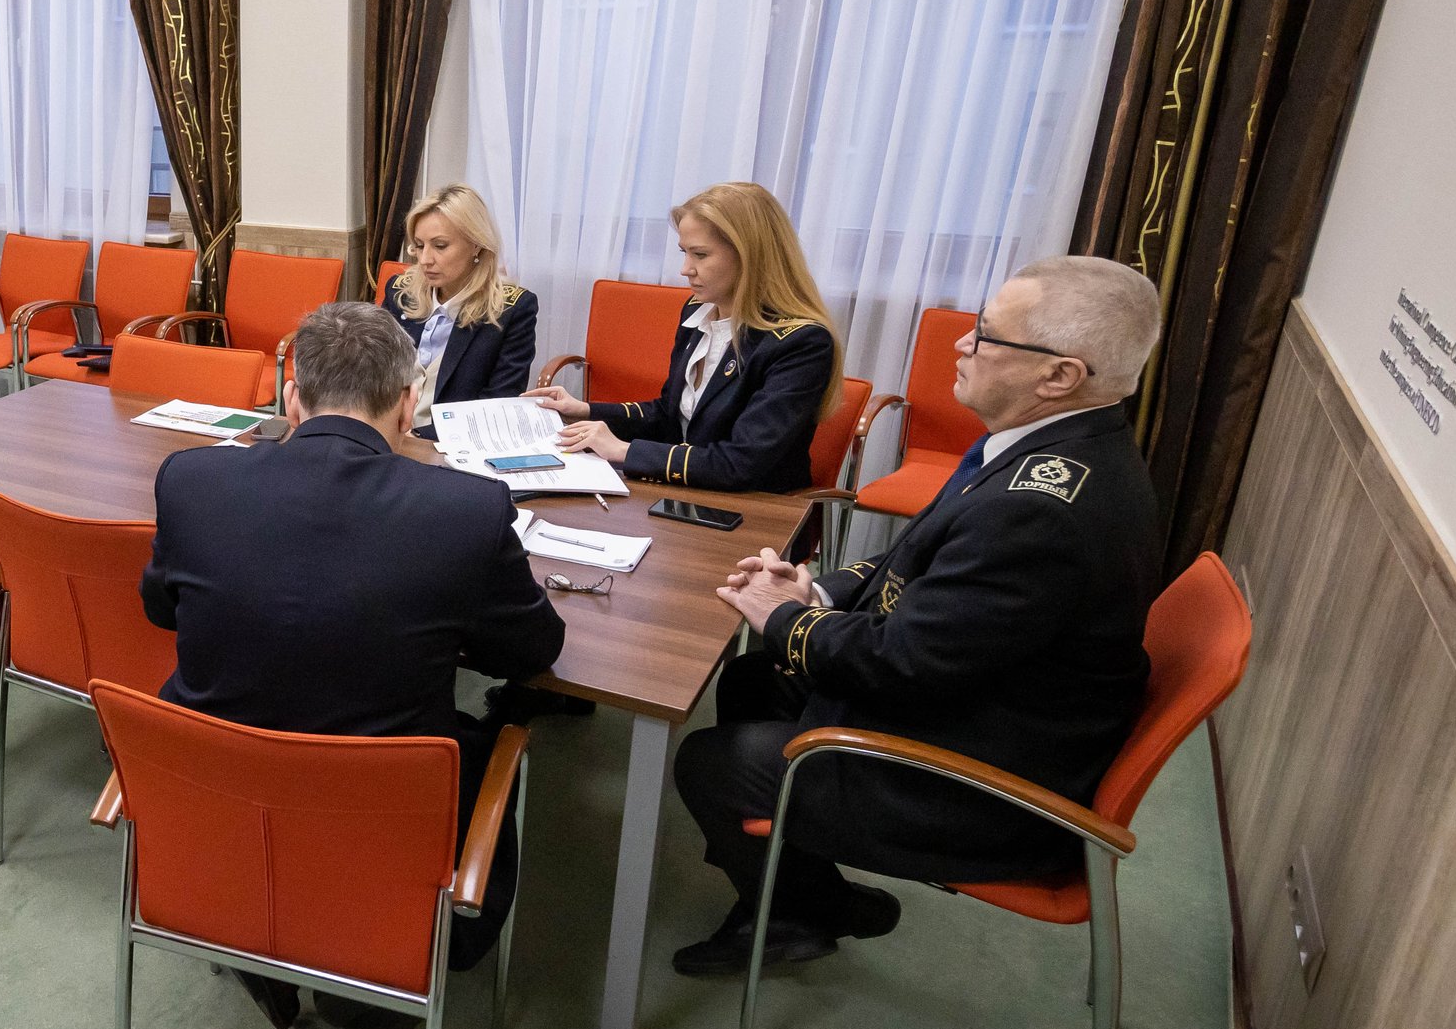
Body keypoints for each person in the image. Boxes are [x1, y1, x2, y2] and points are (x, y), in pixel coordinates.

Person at [668, 255, 1164, 977]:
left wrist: (781, 618)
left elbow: (900, 665)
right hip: (986, 706)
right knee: (753, 678)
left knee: (711, 762)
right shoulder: (1053, 447)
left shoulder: (1037, 513)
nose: (961, 343)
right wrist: (816, 594)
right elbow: (918, 559)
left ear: (1059, 375)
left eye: (986, 334)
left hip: (979, 780)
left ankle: (800, 911)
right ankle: (799, 889)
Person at [143, 301, 565, 1029]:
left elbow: (160, 609)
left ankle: (261, 931)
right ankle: (373, 992)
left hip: (220, 804)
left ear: (291, 398)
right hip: (381, 820)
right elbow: (532, 651)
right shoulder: (467, 509)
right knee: (489, 742)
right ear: (407, 405)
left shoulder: (191, 480)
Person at [526, 181, 838, 492]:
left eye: (700, 255)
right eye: (684, 253)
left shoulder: (801, 343)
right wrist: (585, 410)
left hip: (755, 505)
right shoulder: (697, 311)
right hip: (688, 491)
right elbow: (669, 414)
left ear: (750, 256)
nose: (685, 269)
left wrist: (623, 450)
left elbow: (741, 464)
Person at [377, 184, 540, 424]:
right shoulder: (400, 292)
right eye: (419, 246)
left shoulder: (511, 310)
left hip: (454, 439)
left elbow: (497, 404)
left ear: (476, 244)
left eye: (440, 246)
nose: (425, 260)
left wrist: (419, 437)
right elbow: (372, 374)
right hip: (387, 432)